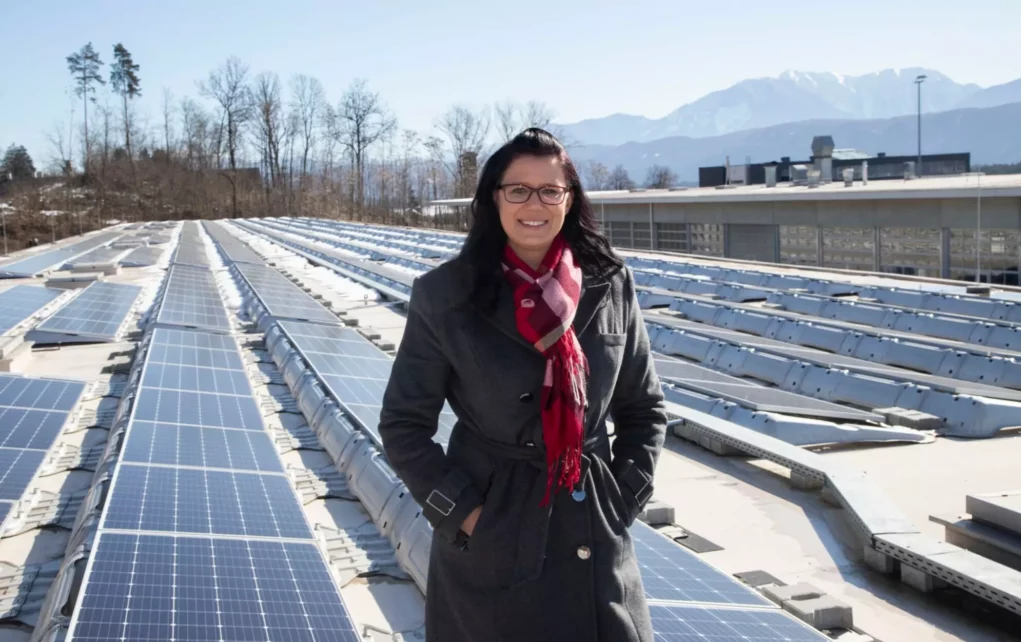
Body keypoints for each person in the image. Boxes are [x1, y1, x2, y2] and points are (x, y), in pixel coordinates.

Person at [379, 128, 667, 642]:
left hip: (593, 532)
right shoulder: (446, 294)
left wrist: (623, 499)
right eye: (518, 189)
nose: (534, 204)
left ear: (569, 199)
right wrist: (467, 516)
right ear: (494, 198)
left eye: (550, 190)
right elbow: (403, 425)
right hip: (494, 540)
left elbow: (644, 409)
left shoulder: (609, 283)